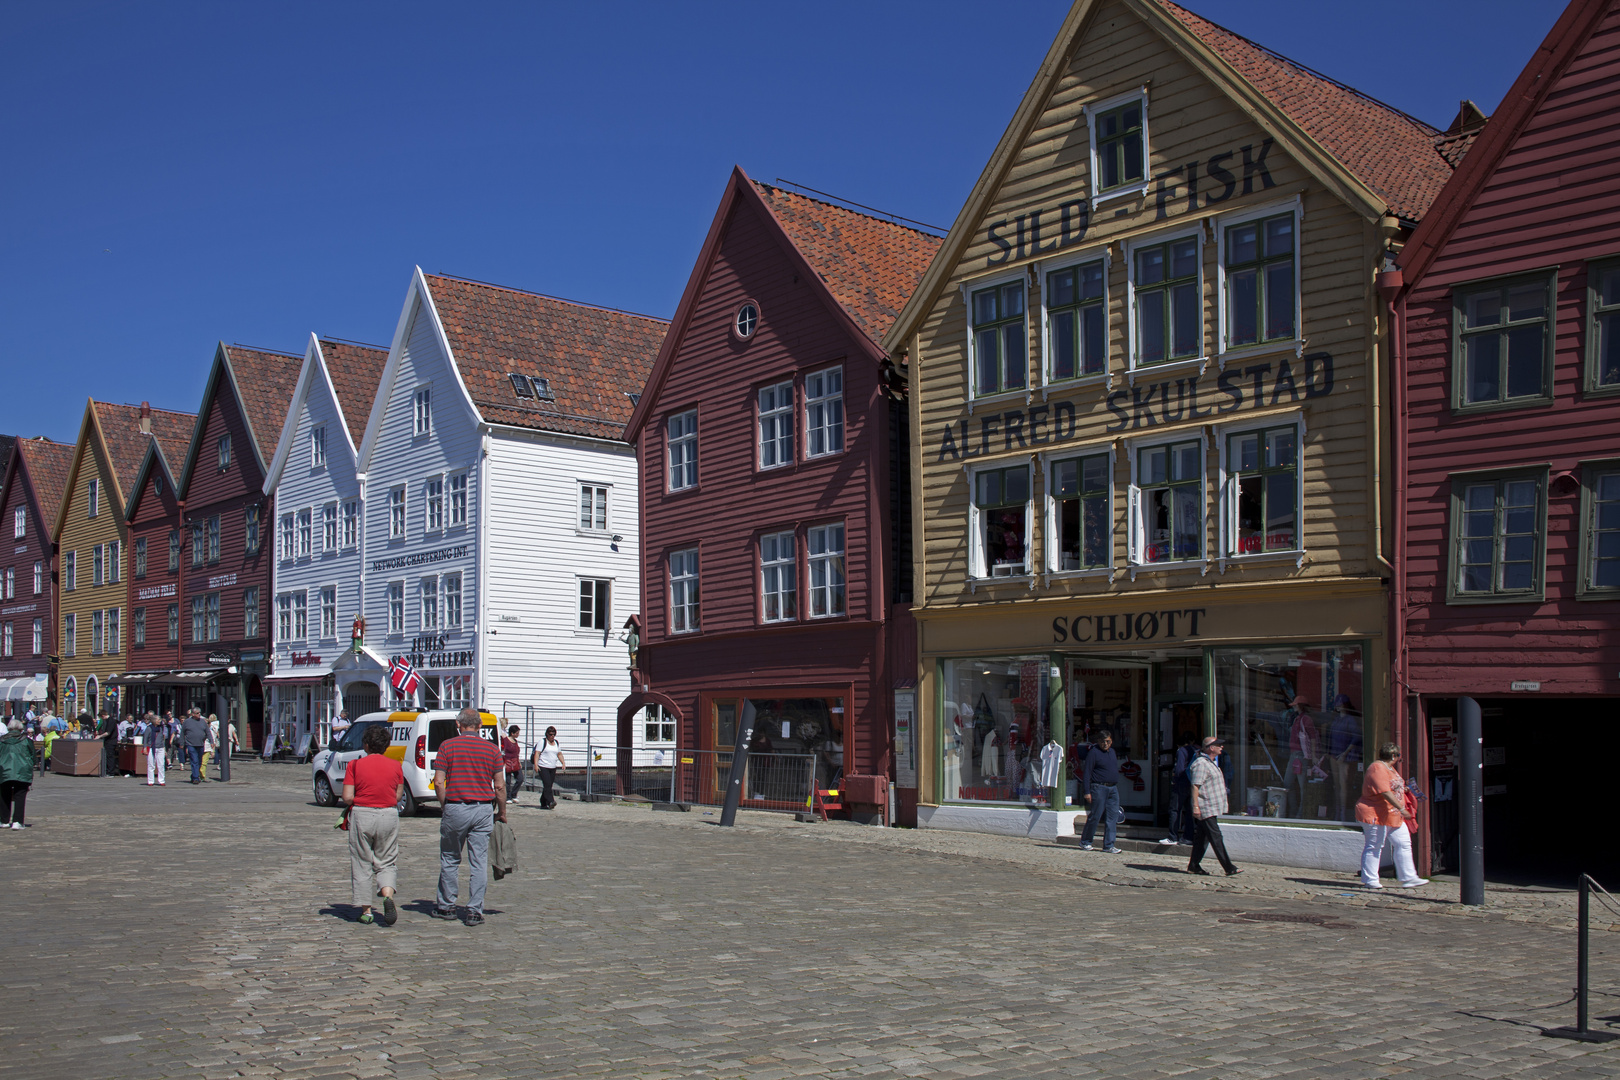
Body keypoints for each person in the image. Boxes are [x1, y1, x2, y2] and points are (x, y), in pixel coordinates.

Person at [432, 708, 506, 925]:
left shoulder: (447, 746)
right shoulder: (492, 750)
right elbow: (500, 786)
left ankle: (447, 906)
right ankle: (474, 910)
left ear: (458, 725)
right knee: (478, 861)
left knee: (450, 858)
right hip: (482, 808)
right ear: (480, 725)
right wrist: (502, 812)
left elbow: (438, 781)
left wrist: (445, 804)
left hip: (456, 805)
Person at [343, 723, 404, 925]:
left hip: (363, 814)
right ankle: (387, 895)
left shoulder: (355, 765)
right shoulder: (396, 766)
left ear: (366, 745)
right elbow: (397, 795)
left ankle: (366, 910)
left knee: (362, 861)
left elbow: (348, 797)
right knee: (386, 860)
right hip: (388, 814)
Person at [1356, 742, 1427, 889]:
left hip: (1391, 815)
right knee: (1374, 845)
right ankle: (1370, 880)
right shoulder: (1377, 768)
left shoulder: (1390, 769)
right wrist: (1402, 808)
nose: (1398, 759)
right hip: (1375, 813)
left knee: (1403, 844)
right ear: (1393, 755)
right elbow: (1385, 792)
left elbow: (1392, 787)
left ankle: (1409, 877)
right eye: (1398, 756)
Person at [1188, 736, 1243, 877]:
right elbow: (1195, 786)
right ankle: (1229, 867)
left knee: (1202, 838)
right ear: (1211, 748)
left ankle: (1194, 865)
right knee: (1216, 837)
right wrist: (1195, 806)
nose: (1221, 747)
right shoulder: (1201, 763)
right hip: (1205, 807)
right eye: (1218, 745)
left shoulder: (1210, 762)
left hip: (1211, 807)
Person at [1077, 729, 1122, 853]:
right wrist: (1087, 791)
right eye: (1103, 741)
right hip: (1099, 788)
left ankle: (1109, 845)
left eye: (1107, 741)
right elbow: (1087, 773)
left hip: (1113, 788)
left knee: (1112, 817)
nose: (1105, 744)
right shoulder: (1094, 753)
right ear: (1098, 741)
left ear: (1111, 741)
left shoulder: (1112, 752)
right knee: (1095, 816)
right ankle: (1085, 841)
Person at [1327, 694, 1363, 821]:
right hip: (1334, 755)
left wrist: (1345, 753)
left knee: (1344, 784)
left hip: (1345, 757)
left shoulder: (1350, 720)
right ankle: (1337, 810)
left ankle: (1343, 811)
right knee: (1336, 784)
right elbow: (1330, 737)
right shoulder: (1336, 720)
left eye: (1340, 704)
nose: (1337, 706)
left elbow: (1356, 737)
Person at [1, 719, 34, 829]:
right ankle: (17, 821)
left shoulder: (1, 741)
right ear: (21, 729)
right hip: (22, 770)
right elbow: (33, 756)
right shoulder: (26, 740)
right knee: (20, 796)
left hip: (4, 770)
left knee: (4, 795)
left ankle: (4, 820)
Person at [1165, 731, 1197, 845]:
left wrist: (1175, 778)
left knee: (1174, 809)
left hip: (1181, 783)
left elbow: (1179, 769)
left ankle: (1173, 836)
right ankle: (1188, 836)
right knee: (1189, 811)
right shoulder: (1195, 750)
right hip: (1191, 783)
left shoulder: (1182, 751)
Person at [531, 726, 564, 810]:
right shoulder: (542, 742)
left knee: (549, 785)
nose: (552, 736)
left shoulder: (556, 743)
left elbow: (559, 754)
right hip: (543, 766)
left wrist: (563, 763)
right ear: (547, 734)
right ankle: (551, 801)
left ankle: (543, 802)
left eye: (553, 734)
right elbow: (537, 753)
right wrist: (535, 764)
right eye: (550, 734)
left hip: (552, 767)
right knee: (547, 784)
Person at [181, 709, 209, 784]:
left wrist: (211, 740)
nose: (199, 714)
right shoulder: (187, 722)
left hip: (200, 744)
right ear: (192, 714)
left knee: (199, 761)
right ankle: (196, 778)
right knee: (194, 760)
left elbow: (207, 732)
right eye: (197, 713)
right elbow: (182, 733)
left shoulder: (203, 721)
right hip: (190, 744)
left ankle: (194, 775)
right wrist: (181, 743)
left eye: (200, 713)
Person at [141, 712, 166, 787]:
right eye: (158, 719)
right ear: (154, 720)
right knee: (151, 765)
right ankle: (150, 781)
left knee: (161, 764)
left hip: (160, 747)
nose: (160, 721)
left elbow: (162, 739)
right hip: (151, 748)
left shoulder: (161, 728)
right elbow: (145, 739)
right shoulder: (149, 728)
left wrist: (164, 749)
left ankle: (161, 780)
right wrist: (145, 747)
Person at [500, 725, 524, 803]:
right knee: (507, 781)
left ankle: (514, 794)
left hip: (515, 762)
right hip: (508, 762)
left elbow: (516, 753)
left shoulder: (515, 741)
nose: (518, 734)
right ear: (512, 733)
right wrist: (503, 762)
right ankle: (508, 797)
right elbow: (502, 751)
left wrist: (519, 762)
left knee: (520, 778)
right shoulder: (506, 740)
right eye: (517, 733)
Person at [99, 710, 118, 777]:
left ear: (103, 716)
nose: (102, 719)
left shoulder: (111, 721)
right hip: (108, 741)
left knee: (110, 757)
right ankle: (108, 771)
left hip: (111, 742)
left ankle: (111, 772)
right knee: (108, 757)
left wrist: (99, 736)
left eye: (102, 718)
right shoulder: (108, 720)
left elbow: (108, 732)